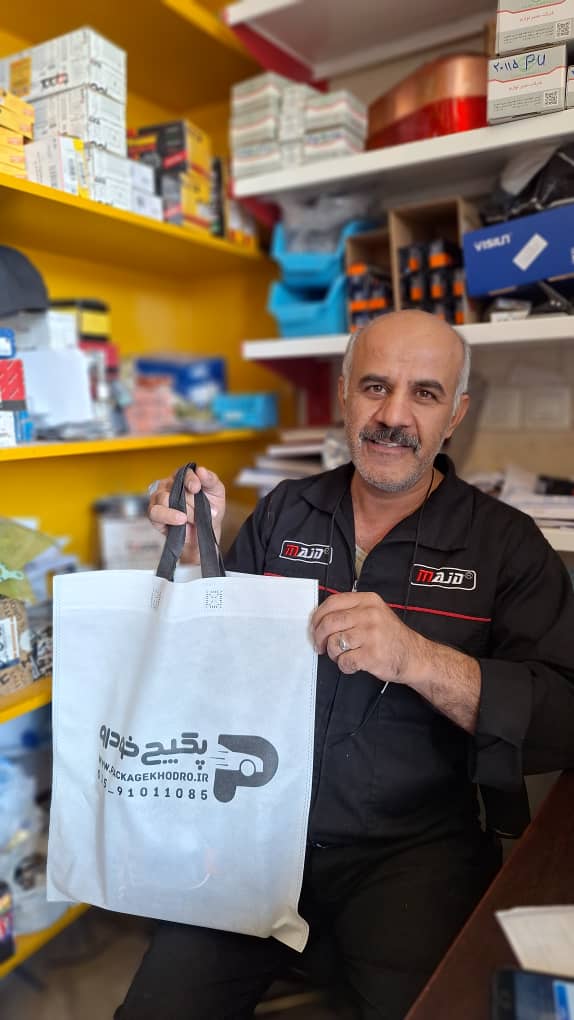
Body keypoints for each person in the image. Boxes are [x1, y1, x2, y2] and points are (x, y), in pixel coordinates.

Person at [116, 310, 574, 1020]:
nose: (393, 416)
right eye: (375, 386)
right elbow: (215, 667)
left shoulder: (506, 545)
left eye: (424, 394)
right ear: (343, 394)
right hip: (257, 830)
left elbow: (561, 717)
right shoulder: (284, 510)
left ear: (455, 414)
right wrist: (198, 559)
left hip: (413, 850)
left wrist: (417, 658)